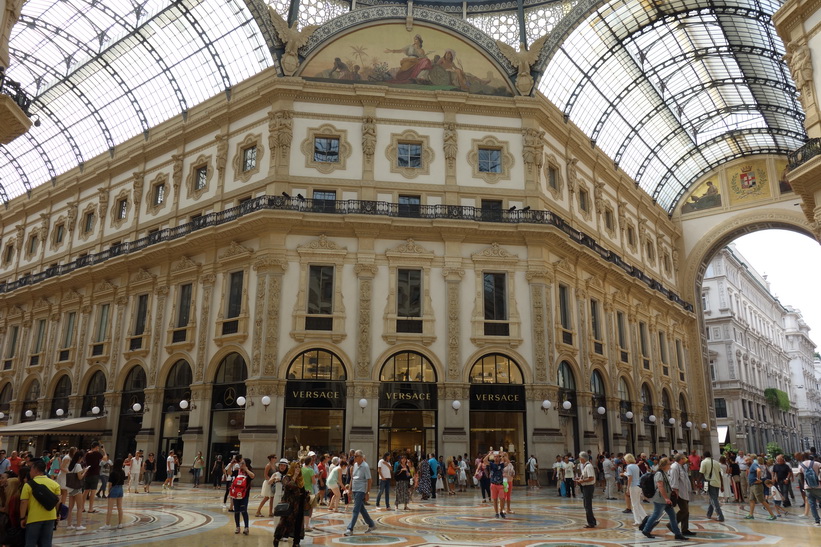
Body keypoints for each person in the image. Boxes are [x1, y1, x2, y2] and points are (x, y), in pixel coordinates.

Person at [640, 457, 687, 540]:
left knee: (673, 516)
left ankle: (677, 534)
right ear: (664, 465)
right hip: (660, 499)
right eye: (669, 464)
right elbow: (660, 487)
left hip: (666, 499)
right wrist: (666, 498)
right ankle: (646, 530)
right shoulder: (659, 474)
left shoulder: (665, 472)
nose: (670, 465)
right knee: (655, 515)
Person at [20, 460, 60, 547]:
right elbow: (58, 501)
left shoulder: (28, 485)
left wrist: (22, 518)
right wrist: (57, 514)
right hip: (50, 517)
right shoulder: (55, 484)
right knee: (46, 543)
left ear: (35, 470)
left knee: (30, 543)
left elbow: (24, 502)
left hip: (34, 517)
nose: (30, 472)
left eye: (31, 470)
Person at [273, 462, 309, 547]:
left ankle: (296, 542)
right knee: (285, 522)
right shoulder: (287, 477)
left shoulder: (300, 479)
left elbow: (302, 491)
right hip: (289, 505)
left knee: (298, 523)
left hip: (299, 504)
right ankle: (277, 538)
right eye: (296, 467)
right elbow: (289, 486)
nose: (297, 469)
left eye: (299, 468)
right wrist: (294, 476)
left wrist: (306, 494)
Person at [344, 450, 376, 536]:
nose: (354, 458)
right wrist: (350, 489)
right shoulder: (354, 465)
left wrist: (367, 493)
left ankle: (350, 528)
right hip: (355, 489)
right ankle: (371, 524)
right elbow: (352, 478)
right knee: (361, 508)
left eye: (356, 456)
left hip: (361, 490)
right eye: (354, 456)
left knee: (355, 510)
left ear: (361, 457)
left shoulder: (365, 466)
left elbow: (369, 480)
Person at [670, 453, 695, 536]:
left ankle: (685, 529)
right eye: (684, 458)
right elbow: (674, 480)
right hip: (679, 492)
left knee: (686, 512)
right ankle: (672, 524)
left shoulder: (682, 466)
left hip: (685, 492)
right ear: (681, 459)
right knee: (684, 510)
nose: (686, 460)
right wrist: (675, 491)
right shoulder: (674, 467)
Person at [745, 455, 777, 520]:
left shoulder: (754, 465)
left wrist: (758, 478)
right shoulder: (751, 466)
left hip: (756, 486)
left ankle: (772, 515)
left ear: (751, 460)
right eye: (745, 461)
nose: (746, 462)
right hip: (752, 485)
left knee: (762, 500)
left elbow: (759, 470)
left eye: (747, 460)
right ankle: (751, 514)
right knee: (752, 500)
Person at [99, 458, 125, 530]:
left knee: (110, 508)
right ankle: (120, 524)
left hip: (114, 489)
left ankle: (107, 524)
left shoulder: (113, 472)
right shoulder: (123, 472)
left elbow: (110, 484)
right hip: (120, 489)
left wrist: (109, 491)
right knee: (119, 507)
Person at [699, 450, 724, 522]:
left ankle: (720, 516)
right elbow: (720, 474)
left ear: (704, 456)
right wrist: (722, 485)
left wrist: (697, 482)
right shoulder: (716, 462)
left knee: (714, 499)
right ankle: (709, 514)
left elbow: (701, 473)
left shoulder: (703, 462)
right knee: (712, 498)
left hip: (709, 482)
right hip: (717, 482)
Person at [797, 452, 821, 525]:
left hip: (807, 487)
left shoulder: (801, 465)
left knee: (812, 504)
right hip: (818, 486)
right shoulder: (816, 463)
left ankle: (817, 521)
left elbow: (801, 477)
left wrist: (803, 487)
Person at [232, 458, 254, 535]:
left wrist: (246, 469)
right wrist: (231, 464)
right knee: (236, 511)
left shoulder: (248, 472)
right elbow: (228, 472)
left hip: (244, 494)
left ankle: (246, 527)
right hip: (236, 494)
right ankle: (237, 527)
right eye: (240, 463)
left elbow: (252, 476)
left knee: (244, 510)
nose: (241, 464)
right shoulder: (237, 471)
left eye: (243, 463)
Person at [65, 449, 86, 530]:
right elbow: (80, 477)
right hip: (77, 488)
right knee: (79, 507)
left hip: (70, 487)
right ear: (80, 457)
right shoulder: (78, 466)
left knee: (70, 507)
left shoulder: (71, 465)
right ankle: (78, 525)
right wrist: (85, 471)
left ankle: (69, 524)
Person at [575, 452, 597, 528]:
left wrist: (583, 481)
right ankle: (592, 521)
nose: (579, 459)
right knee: (586, 505)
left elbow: (591, 478)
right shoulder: (585, 466)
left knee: (587, 505)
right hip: (585, 487)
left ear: (582, 458)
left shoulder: (588, 466)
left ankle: (591, 522)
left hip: (588, 487)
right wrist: (580, 479)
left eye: (580, 458)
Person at [624, 453, 646, 525]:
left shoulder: (629, 466)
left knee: (634, 504)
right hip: (638, 485)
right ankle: (645, 517)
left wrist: (628, 488)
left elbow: (630, 477)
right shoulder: (636, 466)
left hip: (633, 486)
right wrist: (625, 474)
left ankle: (638, 520)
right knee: (637, 503)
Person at [82, 441, 104, 514]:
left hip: (88, 474)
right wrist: (104, 451)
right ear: (96, 447)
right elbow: (105, 458)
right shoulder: (96, 453)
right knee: (93, 492)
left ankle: (82, 507)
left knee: (85, 491)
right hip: (94, 474)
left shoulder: (87, 454)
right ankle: (90, 508)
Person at [483, 451, 506, 519]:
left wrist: (503, 456)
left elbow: (508, 462)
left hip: (500, 484)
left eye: (497, 457)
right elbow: (484, 460)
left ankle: (501, 511)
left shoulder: (501, 465)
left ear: (499, 458)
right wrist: (489, 454)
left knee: (502, 498)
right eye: (495, 457)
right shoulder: (491, 464)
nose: (496, 458)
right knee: (495, 499)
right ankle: (496, 513)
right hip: (493, 484)